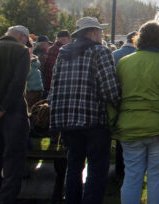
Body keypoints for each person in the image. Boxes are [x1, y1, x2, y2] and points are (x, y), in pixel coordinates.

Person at [48, 17, 121, 203]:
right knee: (97, 168)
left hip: (67, 119)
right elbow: (109, 89)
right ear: (93, 32)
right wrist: (119, 106)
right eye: (100, 31)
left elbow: (54, 86)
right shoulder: (100, 51)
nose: (102, 34)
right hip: (94, 119)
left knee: (73, 166)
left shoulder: (63, 52)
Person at [114, 21, 159, 203]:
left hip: (129, 129)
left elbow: (113, 97)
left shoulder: (123, 63)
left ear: (139, 39)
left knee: (132, 177)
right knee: (156, 179)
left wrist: (113, 124)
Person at [0, 25, 31, 203]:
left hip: (3, 112)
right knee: (13, 161)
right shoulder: (22, 51)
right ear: (21, 37)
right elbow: (18, 83)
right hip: (13, 113)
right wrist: (2, 108)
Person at [111, 30, 138, 181]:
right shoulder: (139, 57)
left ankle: (119, 169)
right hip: (134, 102)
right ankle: (132, 172)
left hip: (116, 101)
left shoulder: (114, 55)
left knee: (121, 137)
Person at [41, 30, 71, 98]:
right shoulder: (61, 50)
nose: (70, 42)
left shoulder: (50, 48)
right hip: (54, 85)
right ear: (64, 39)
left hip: (46, 82)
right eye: (69, 40)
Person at [26, 43, 44, 109]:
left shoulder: (32, 59)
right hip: (34, 90)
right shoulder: (32, 59)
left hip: (35, 90)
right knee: (32, 109)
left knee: (33, 109)